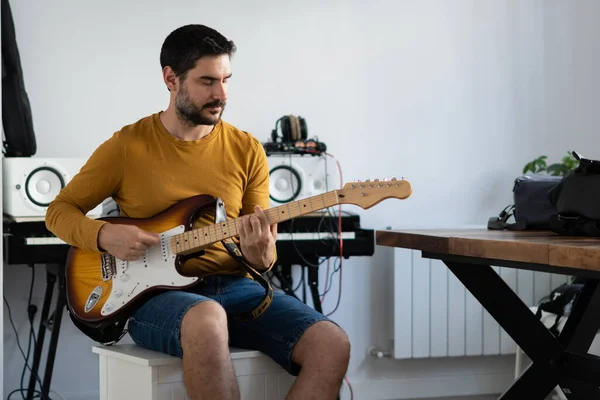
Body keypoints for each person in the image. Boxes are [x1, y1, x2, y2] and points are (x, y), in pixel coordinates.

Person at [45, 24, 350, 399]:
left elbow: (263, 254)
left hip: (237, 289)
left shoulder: (246, 149)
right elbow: (58, 211)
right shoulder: (127, 147)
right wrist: (104, 234)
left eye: (226, 80)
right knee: (207, 318)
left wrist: (262, 254)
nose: (221, 94)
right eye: (207, 81)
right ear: (170, 79)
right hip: (153, 299)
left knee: (331, 343)